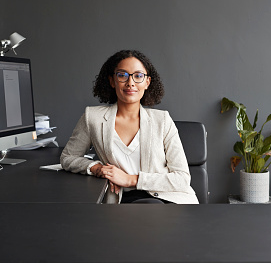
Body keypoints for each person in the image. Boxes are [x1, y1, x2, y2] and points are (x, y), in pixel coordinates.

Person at [60, 50, 198, 204]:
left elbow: (182, 178)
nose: (130, 82)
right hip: (121, 200)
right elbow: (68, 158)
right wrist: (97, 168)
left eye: (138, 76)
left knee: (151, 206)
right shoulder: (92, 117)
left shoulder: (163, 120)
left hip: (167, 199)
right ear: (112, 81)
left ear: (147, 82)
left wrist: (130, 179)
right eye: (122, 75)